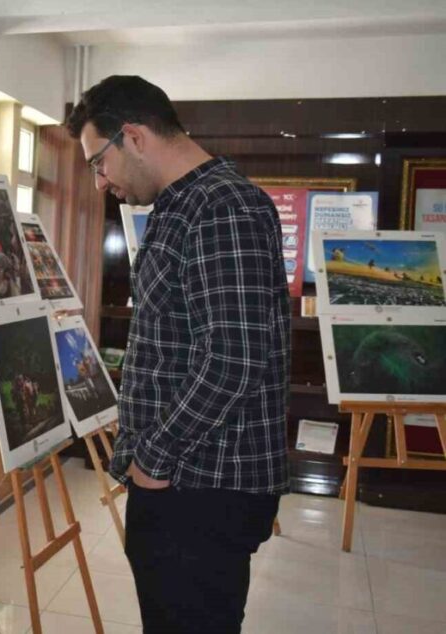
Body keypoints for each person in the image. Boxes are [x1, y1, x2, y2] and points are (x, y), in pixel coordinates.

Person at [66, 75, 290, 633]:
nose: (99, 182)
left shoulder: (221, 208)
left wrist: (153, 458)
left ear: (134, 137)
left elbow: (233, 360)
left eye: (99, 161)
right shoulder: (183, 203)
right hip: (188, 480)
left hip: (200, 485)